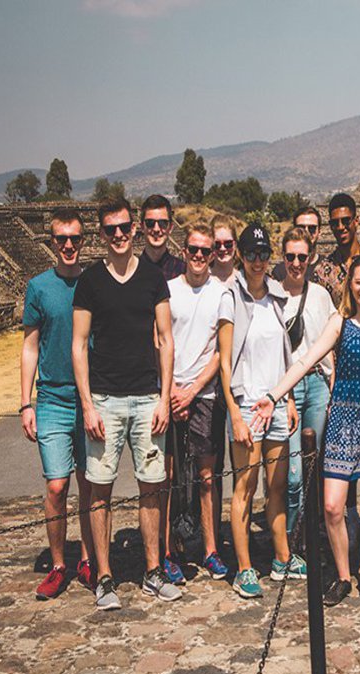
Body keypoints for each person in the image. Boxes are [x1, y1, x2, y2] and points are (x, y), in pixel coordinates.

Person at [254, 255, 360, 604]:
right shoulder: (340, 322)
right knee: (333, 505)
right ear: (350, 284)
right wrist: (274, 396)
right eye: (359, 281)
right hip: (343, 417)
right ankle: (343, 575)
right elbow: (306, 360)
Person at [72, 198, 180, 609]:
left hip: (146, 397)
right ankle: (104, 577)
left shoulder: (152, 278)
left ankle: (153, 570)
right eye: (110, 229)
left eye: (123, 228)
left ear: (134, 229)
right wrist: (87, 405)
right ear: (101, 234)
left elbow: (165, 339)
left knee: (151, 486)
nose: (118, 235)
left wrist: (163, 397)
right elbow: (79, 345)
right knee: (100, 489)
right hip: (105, 398)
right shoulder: (90, 281)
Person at [217, 223, 305, 600]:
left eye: (263, 254)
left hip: (276, 401)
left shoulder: (276, 296)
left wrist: (288, 398)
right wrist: (235, 413)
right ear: (240, 254)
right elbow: (224, 362)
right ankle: (244, 567)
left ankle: (282, 557)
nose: (257, 261)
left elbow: (284, 354)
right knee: (245, 487)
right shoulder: (230, 297)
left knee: (277, 485)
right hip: (247, 403)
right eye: (251, 254)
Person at [20, 207, 95, 599]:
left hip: (90, 397)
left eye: (74, 238)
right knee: (56, 485)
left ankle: (88, 558)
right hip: (52, 398)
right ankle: (58, 564)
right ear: (51, 241)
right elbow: (30, 346)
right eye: (61, 238)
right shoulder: (39, 287)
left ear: (83, 240)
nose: (68, 245)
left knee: (89, 483)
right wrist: (25, 403)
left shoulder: (94, 282)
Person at [164, 223, 229, 582]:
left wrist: (191, 391)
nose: (200, 256)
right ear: (184, 251)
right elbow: (160, 340)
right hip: (171, 390)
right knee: (169, 476)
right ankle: (169, 549)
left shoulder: (221, 292)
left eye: (206, 250)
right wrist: (173, 388)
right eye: (194, 249)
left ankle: (210, 548)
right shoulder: (169, 290)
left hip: (203, 394)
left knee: (207, 476)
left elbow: (221, 351)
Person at [279, 227, 336, 535]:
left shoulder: (321, 296)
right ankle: (289, 539)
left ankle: (308, 538)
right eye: (291, 257)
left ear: (311, 257)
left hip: (317, 384)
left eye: (302, 257)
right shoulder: (274, 296)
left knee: (314, 466)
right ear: (282, 257)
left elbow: (330, 343)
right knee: (293, 474)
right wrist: (286, 395)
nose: (296, 263)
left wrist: (332, 384)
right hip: (289, 387)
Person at [313, 194, 360, 304]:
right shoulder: (323, 272)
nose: (340, 227)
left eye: (346, 221)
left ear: (356, 221)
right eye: (335, 223)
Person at [271, 206, 325, 282]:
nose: (306, 232)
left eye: (312, 228)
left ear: (319, 231)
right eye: (301, 228)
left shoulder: (327, 268)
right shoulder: (280, 272)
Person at [139, 195, 185, 281]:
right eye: (150, 223)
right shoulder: (130, 272)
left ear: (170, 228)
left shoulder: (184, 271)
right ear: (141, 227)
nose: (156, 229)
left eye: (163, 223)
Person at [210, 215, 240, 286]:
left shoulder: (245, 281)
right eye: (217, 244)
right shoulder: (201, 279)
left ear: (235, 244)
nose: (222, 248)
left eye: (228, 243)